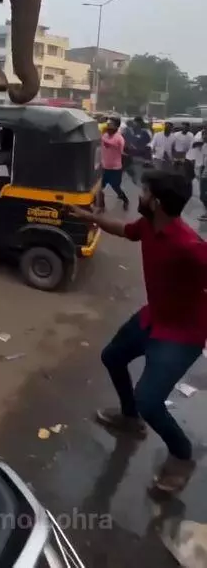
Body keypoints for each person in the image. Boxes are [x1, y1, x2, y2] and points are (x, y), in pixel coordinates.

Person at [69, 169, 207, 493]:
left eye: (144, 191)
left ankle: (182, 455)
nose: (140, 195)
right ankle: (129, 419)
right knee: (112, 357)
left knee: (150, 400)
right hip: (152, 318)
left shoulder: (189, 245)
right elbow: (124, 229)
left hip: (182, 334)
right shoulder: (148, 225)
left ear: (155, 201)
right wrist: (90, 217)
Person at [99, 118, 129, 211]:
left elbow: (123, 153)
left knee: (116, 187)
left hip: (115, 169)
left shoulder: (119, 139)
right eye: (108, 124)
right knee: (99, 188)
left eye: (110, 124)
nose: (108, 126)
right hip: (104, 167)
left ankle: (125, 200)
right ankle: (101, 206)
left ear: (116, 126)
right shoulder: (104, 135)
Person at [122, 117, 152, 184]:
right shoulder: (126, 131)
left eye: (137, 123)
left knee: (137, 176)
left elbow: (148, 142)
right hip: (130, 156)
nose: (135, 124)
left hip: (139, 156)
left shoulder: (144, 132)